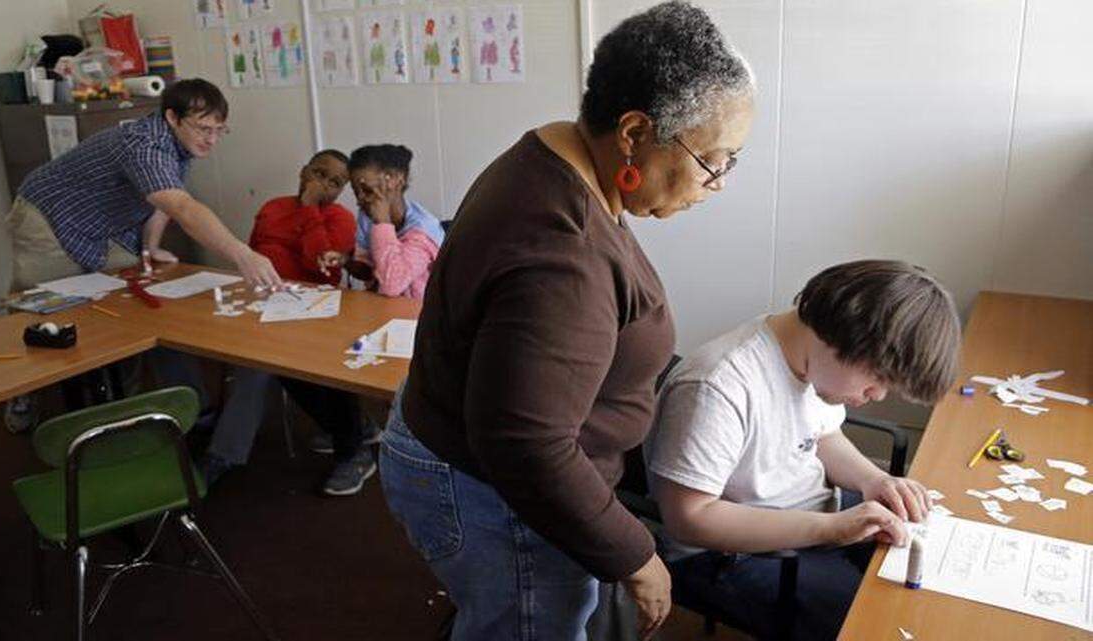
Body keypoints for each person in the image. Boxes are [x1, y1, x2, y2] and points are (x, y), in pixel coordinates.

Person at [378, 3, 756, 639]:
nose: (718, 182)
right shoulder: (564, 251)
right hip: (491, 492)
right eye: (713, 159)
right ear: (633, 133)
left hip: (465, 455)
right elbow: (526, 444)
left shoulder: (555, 152)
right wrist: (636, 553)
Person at [643, 259, 961, 641]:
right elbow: (690, 519)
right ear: (843, 338)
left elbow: (823, 436)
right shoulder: (717, 387)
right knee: (877, 624)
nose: (876, 395)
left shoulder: (811, 360)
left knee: (932, 575)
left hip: (809, 515)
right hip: (726, 552)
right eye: (878, 378)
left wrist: (873, 479)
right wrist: (830, 529)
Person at [3, 78, 283, 432]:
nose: (211, 139)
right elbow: (180, 205)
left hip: (107, 223)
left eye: (218, 130)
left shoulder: (179, 144)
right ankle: (24, 392)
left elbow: (161, 197)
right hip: (49, 215)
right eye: (203, 129)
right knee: (39, 309)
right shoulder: (142, 143)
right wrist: (242, 254)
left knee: (130, 305)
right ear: (172, 117)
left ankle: (124, 400)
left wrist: (150, 246)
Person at [199, 150, 379, 496]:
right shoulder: (272, 207)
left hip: (315, 312)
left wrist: (311, 208)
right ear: (303, 171)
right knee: (247, 354)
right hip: (265, 307)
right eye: (319, 173)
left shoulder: (338, 218)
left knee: (279, 367)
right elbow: (252, 256)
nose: (324, 184)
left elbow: (319, 267)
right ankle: (353, 427)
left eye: (335, 182)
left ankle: (222, 455)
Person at [345, 144, 444, 300]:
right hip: (384, 309)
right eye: (356, 191)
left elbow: (392, 284)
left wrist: (383, 223)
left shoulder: (423, 229)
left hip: (420, 314)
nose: (361, 199)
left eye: (367, 190)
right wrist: (344, 261)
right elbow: (369, 270)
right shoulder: (367, 216)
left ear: (398, 180)